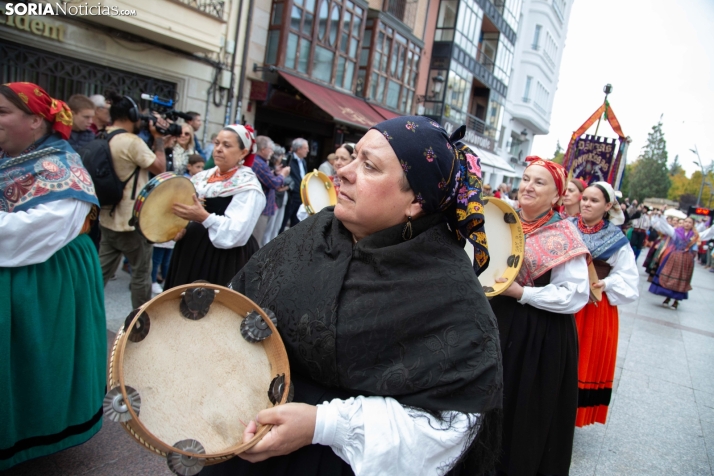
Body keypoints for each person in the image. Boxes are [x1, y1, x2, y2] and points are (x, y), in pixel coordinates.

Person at [202, 116, 502, 476]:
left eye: (370, 166)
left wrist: (322, 425)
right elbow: (241, 305)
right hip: (247, 438)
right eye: (354, 156)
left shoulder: (452, 294)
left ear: (416, 203)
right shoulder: (314, 231)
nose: (344, 171)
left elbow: (448, 428)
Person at [0, 83, 106, 470]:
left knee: (31, 362)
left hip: (42, 281)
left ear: (35, 120)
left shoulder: (62, 171)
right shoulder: (10, 155)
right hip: (26, 271)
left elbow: (25, 237)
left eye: (2, 112)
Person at [489, 156, 590, 476]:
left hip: (537, 333)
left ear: (557, 195)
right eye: (526, 178)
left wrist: (522, 293)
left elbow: (574, 295)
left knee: (522, 406)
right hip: (495, 322)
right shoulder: (503, 218)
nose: (528, 186)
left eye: (539, 182)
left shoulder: (563, 234)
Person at [568, 182, 638, 427]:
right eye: (585, 198)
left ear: (608, 206)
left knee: (581, 358)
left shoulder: (616, 239)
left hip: (593, 307)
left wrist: (605, 284)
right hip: (563, 300)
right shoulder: (564, 227)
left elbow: (628, 278)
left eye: (594, 200)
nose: (586, 203)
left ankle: (573, 415)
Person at [164, 124, 265, 288]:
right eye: (217, 143)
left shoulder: (248, 186)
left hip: (223, 256)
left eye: (226, 145)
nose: (218, 149)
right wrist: (180, 227)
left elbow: (237, 231)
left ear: (243, 152)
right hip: (190, 249)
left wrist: (204, 217)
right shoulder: (202, 177)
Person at [97, 91, 167, 308]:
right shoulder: (131, 142)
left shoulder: (102, 136)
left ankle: (83, 312)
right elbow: (160, 168)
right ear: (131, 115)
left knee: (100, 274)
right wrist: (159, 139)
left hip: (107, 217)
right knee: (141, 275)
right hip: (131, 222)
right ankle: (139, 323)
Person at [649, 213, 699, 309]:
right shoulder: (676, 231)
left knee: (682, 279)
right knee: (671, 277)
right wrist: (662, 216)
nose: (687, 224)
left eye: (690, 222)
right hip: (675, 257)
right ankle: (668, 297)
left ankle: (676, 300)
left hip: (686, 260)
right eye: (686, 222)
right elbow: (665, 226)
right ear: (683, 223)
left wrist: (692, 252)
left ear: (692, 225)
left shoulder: (695, 235)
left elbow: (696, 247)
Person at [251, 135, 290, 246]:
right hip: (260, 210)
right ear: (263, 149)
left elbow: (268, 179)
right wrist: (283, 174)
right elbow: (273, 183)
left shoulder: (260, 162)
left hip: (263, 208)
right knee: (256, 241)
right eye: (270, 149)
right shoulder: (259, 163)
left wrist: (275, 172)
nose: (272, 152)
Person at [262, 146, 290, 246]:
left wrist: (284, 185)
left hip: (281, 198)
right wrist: (281, 176)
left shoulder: (278, 167)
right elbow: (274, 183)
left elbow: (290, 182)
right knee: (267, 229)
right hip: (272, 200)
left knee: (276, 227)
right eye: (281, 155)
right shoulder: (268, 166)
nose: (283, 158)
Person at [281, 138, 309, 231]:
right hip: (291, 195)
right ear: (298, 149)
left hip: (301, 196)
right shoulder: (288, 158)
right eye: (306, 148)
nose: (308, 150)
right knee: (283, 222)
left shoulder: (303, 161)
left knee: (296, 224)